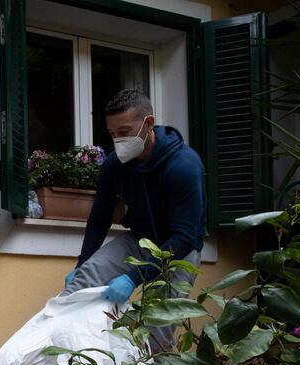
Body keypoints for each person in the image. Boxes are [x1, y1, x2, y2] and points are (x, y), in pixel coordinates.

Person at [62, 89, 206, 351]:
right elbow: (99, 219)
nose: (118, 140)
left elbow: (185, 236)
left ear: (149, 123)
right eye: (113, 134)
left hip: (179, 250)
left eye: (125, 131)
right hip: (139, 239)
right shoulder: (114, 166)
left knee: (157, 330)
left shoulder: (183, 165)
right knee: (78, 289)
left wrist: (132, 277)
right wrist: (82, 264)